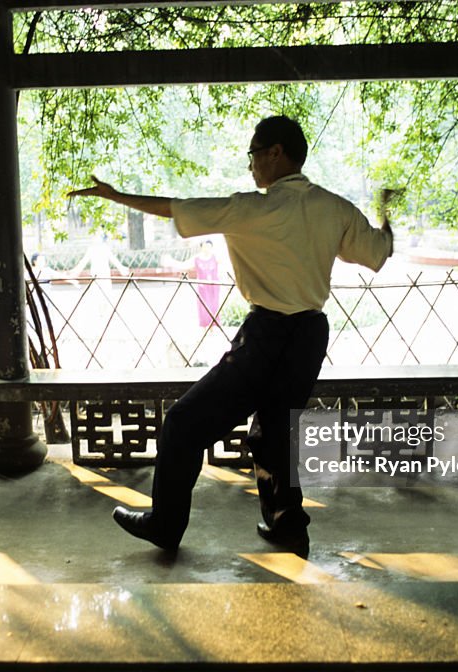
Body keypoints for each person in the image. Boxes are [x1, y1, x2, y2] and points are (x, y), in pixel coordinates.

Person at [68, 115, 393, 556]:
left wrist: (115, 195)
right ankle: (288, 526)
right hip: (311, 335)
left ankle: (166, 524)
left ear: (276, 152)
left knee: (185, 423)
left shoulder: (252, 209)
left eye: (255, 153)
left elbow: (176, 207)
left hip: (267, 335)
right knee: (276, 431)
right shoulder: (334, 208)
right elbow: (377, 252)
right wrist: (386, 218)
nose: (252, 165)